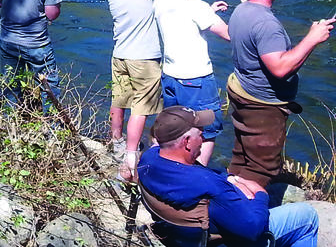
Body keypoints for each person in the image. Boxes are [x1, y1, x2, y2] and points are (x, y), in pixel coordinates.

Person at [136, 106, 319, 247]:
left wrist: (231, 180)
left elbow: (208, 179)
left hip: (178, 235)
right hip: (226, 239)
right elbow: (253, 230)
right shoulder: (208, 186)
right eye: (201, 134)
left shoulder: (148, 160)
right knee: (307, 216)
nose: (204, 138)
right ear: (186, 142)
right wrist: (260, 194)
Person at [226, 0, 334, 187]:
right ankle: (247, 214)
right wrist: (312, 38)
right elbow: (280, 69)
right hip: (262, 105)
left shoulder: (242, 10)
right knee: (263, 166)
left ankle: (230, 191)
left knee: (243, 153)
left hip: (243, 92)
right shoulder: (266, 24)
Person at [154, 0, 230, 167]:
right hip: (195, 79)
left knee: (173, 129)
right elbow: (229, 34)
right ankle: (198, 177)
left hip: (169, 76)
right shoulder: (197, 6)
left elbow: (181, 17)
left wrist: (209, 11)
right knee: (207, 131)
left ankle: (166, 167)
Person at [105, 0, 164, 181]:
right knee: (143, 107)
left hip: (120, 53)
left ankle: (116, 142)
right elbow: (164, 7)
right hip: (145, 57)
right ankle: (133, 157)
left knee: (119, 100)